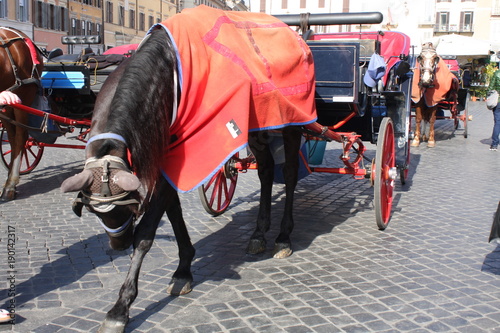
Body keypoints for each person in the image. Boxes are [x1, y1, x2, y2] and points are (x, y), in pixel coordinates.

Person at [488, 68, 500, 151]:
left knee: (497, 122)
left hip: (497, 101)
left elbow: (490, 88)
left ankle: (494, 144)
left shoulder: (496, 73)